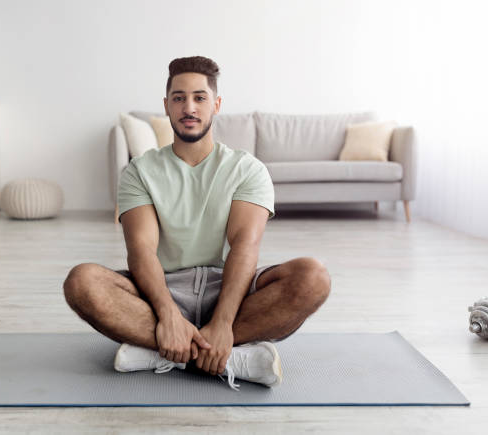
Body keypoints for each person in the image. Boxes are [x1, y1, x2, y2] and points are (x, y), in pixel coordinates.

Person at [63, 56, 331, 391]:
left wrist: (223, 322)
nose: (189, 107)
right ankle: (230, 358)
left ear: (216, 104)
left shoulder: (248, 169)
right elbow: (141, 249)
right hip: (162, 288)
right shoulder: (139, 171)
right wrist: (168, 315)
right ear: (167, 106)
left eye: (199, 98)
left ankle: (166, 353)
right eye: (179, 98)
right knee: (81, 282)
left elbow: (245, 246)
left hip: (232, 289)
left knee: (313, 277)